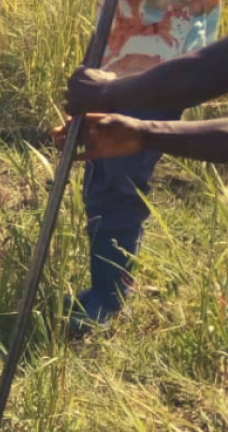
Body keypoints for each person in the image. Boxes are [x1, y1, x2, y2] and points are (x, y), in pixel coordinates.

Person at [53, 0, 221, 328]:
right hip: (114, 64)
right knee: (101, 181)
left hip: (156, 75)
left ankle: (110, 301)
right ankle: (104, 288)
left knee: (119, 188)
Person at [55, 36, 228, 163]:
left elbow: (213, 69)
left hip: (157, 64)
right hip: (131, 72)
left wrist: (108, 91)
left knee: (121, 187)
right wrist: (143, 134)